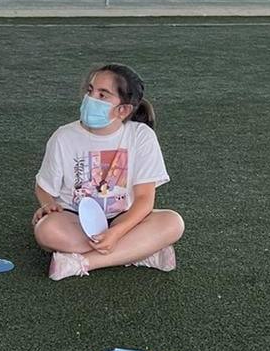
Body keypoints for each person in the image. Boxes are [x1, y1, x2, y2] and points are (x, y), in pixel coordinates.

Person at [33, 64, 184, 280]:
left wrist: (116, 233)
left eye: (102, 95)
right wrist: (48, 204)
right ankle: (140, 252)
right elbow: (43, 187)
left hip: (126, 220)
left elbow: (144, 200)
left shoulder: (141, 136)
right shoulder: (64, 137)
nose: (91, 98)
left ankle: (83, 262)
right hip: (76, 221)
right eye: (90, 90)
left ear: (123, 110)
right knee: (46, 230)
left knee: (173, 223)